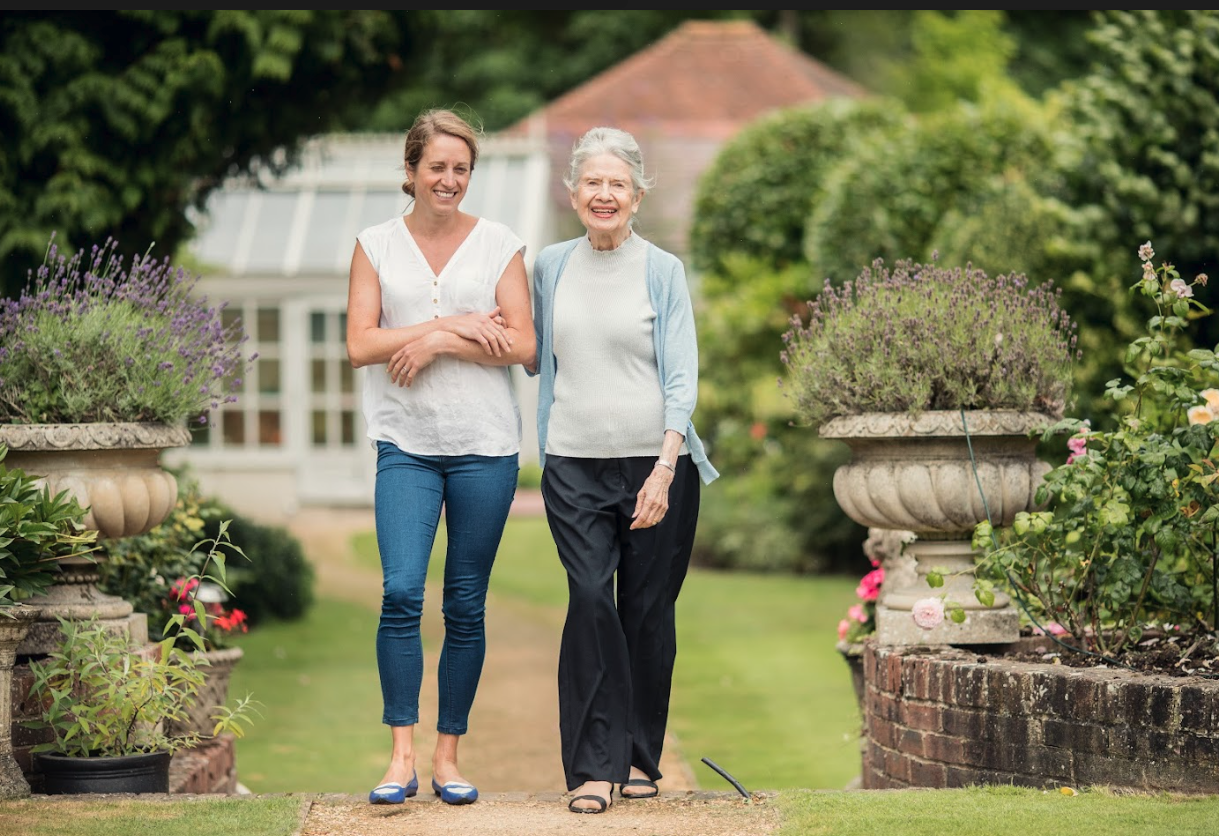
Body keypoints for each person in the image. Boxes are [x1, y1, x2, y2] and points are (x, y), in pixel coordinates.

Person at [346, 108, 535, 807]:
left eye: (460, 169)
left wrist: (435, 344)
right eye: (437, 168)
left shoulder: (499, 245)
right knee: (399, 592)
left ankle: (448, 756)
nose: (449, 180)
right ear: (411, 171)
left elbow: (521, 342)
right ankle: (400, 758)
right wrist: (453, 323)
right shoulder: (374, 245)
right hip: (406, 446)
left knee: (464, 603)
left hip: (485, 446)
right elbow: (361, 343)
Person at [526, 126, 719, 814]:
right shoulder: (549, 265)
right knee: (588, 599)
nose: (603, 195)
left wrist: (665, 469)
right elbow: (528, 349)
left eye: (617, 185)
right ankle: (592, 766)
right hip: (572, 463)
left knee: (645, 612)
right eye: (592, 183)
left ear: (636, 195)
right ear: (571, 191)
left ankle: (638, 757)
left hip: (654, 462)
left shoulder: (661, 270)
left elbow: (681, 377)